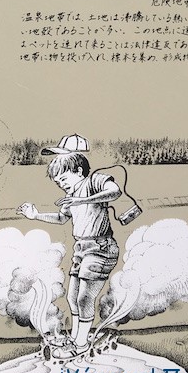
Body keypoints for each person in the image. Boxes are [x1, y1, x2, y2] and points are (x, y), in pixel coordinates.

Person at [17, 135, 121, 359]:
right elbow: (61, 218)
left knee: (85, 298)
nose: (61, 184)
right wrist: (36, 216)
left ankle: (81, 344)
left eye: (63, 178)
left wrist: (81, 201)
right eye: (58, 182)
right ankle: (76, 339)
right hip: (82, 249)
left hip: (101, 248)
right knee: (73, 298)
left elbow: (115, 191)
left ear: (79, 170)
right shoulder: (70, 196)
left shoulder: (94, 181)